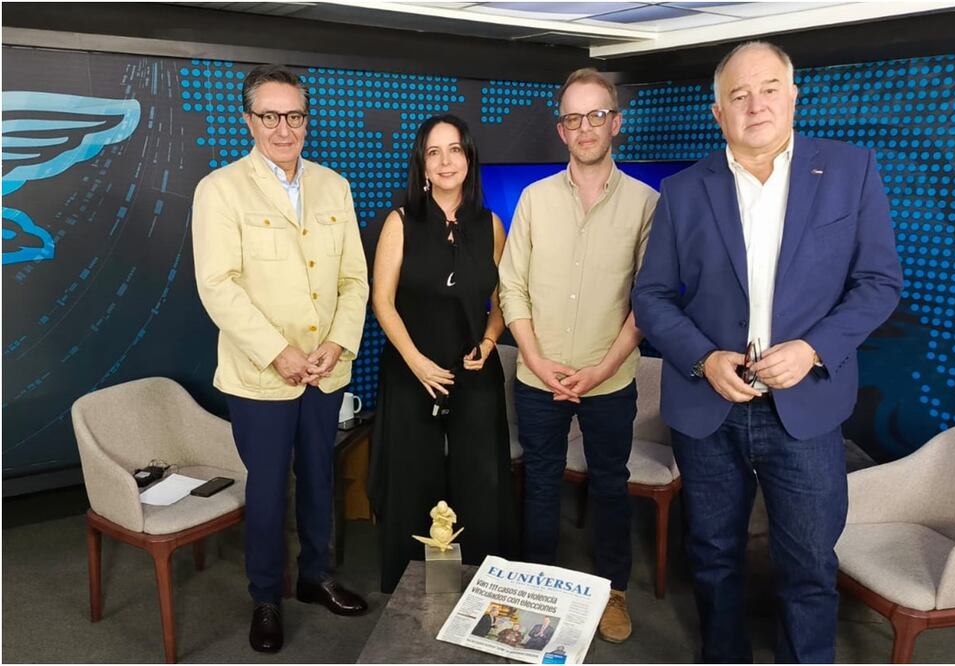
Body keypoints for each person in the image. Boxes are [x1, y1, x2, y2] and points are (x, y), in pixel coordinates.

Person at [632, 41, 903, 662]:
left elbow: (879, 283)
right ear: (717, 112)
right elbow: (650, 298)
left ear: (793, 96)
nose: (756, 105)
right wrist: (703, 358)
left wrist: (813, 349)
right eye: (738, 95)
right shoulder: (681, 190)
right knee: (714, 556)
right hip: (710, 407)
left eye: (769, 89)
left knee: (808, 562)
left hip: (805, 407)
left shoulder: (850, 171)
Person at [192, 64, 370, 654]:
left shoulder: (334, 186)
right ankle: (266, 595)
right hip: (260, 375)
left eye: (294, 115)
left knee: (320, 479)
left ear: (305, 118)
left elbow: (354, 279)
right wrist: (280, 352)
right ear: (249, 119)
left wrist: (337, 344)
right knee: (268, 489)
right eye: (269, 115)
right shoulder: (220, 190)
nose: (283, 128)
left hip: (325, 369)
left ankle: (316, 577)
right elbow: (218, 286)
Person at [499, 67, 658, 645]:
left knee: (610, 484)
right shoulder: (534, 200)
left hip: (608, 379)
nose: (585, 127)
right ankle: (536, 592)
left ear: (616, 123)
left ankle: (613, 591)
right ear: (561, 129)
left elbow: (648, 300)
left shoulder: (647, 203)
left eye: (597, 115)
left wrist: (602, 368)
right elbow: (512, 286)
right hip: (540, 375)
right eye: (573, 117)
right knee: (540, 483)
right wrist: (538, 362)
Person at [368, 114, 516, 594]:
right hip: (413, 370)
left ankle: (483, 587)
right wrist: (415, 361)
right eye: (435, 152)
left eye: (455, 150)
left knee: (482, 480)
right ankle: (410, 591)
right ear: (423, 165)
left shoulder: (490, 225)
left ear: (469, 159)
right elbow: (382, 301)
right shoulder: (402, 221)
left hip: (475, 370)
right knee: (413, 479)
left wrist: (490, 342)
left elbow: (506, 300)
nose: (446, 161)